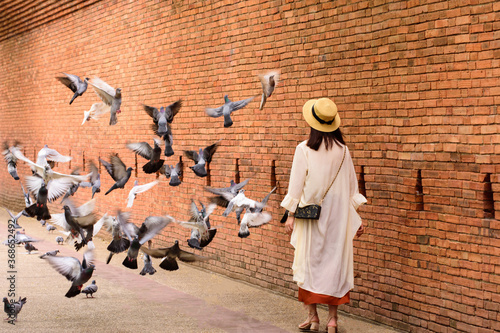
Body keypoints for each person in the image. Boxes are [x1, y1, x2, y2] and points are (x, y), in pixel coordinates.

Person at [281, 98, 366, 333]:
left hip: (310, 217)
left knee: (309, 263)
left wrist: (290, 214)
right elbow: (351, 188)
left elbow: (296, 185)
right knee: (334, 263)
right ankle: (333, 321)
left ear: (312, 123)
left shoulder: (304, 148)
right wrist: (355, 218)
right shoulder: (343, 150)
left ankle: (313, 318)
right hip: (338, 217)